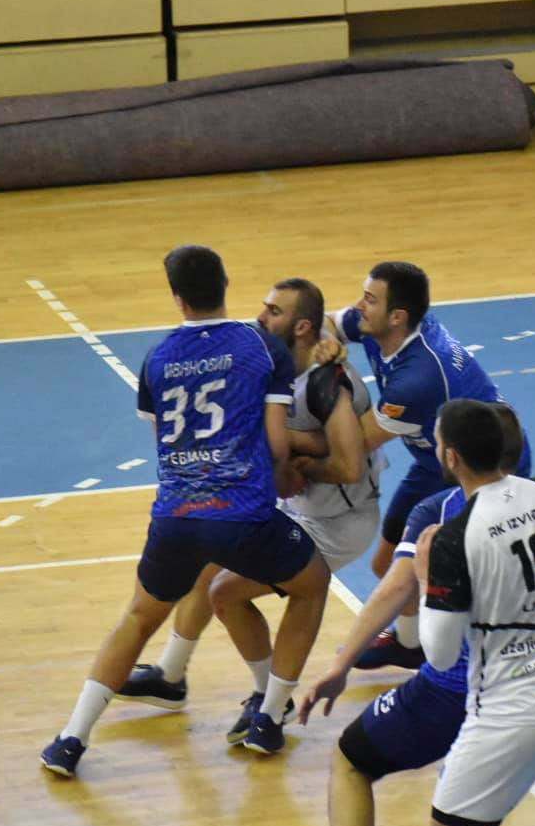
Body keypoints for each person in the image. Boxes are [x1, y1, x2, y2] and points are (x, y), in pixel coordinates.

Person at [40, 246, 330, 777]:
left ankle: (69, 739)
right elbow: (275, 441)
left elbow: (164, 439)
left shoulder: (157, 358)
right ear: (226, 282)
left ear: (177, 298)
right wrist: (282, 471)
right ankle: (269, 716)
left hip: (175, 517)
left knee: (137, 618)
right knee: (312, 583)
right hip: (242, 515)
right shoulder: (260, 346)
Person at [299, 403, 535, 826]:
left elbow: (437, 652)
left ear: (451, 456)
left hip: (503, 705)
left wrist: (425, 578)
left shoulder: (450, 532)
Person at [117, 278, 381, 753]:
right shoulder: (276, 361)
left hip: (339, 522)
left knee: (226, 592)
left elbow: (348, 465)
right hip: (298, 509)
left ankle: (271, 705)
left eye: (273, 311)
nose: (260, 317)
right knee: (207, 556)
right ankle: (173, 677)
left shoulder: (328, 380)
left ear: (301, 327)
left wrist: (299, 464)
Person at [323, 261, 530, 671]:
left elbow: (355, 443)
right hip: (437, 459)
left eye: (370, 300)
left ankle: (470, 653)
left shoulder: (417, 380)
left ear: (397, 317)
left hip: (487, 470)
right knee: (386, 563)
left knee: (446, 571)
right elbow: (327, 321)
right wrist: (328, 344)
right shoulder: (384, 327)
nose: (359, 306)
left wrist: (330, 384)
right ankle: (408, 643)